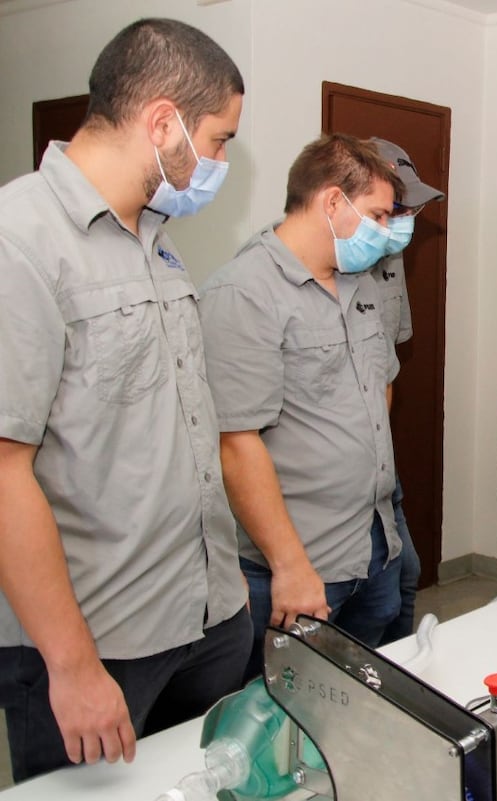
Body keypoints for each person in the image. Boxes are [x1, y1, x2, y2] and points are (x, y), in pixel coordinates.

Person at [0, 19, 251, 782]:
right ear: (162, 122)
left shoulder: (157, 238)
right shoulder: (20, 240)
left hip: (205, 616)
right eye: (219, 140)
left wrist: (227, 595)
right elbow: (4, 471)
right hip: (98, 643)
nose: (221, 163)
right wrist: (72, 664)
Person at [198, 134, 407, 684]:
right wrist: (289, 565)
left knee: (358, 700)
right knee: (283, 705)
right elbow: (234, 444)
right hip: (300, 563)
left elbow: (379, 386)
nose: (386, 230)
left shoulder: (361, 283)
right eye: (377, 215)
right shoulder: (244, 293)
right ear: (333, 201)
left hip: (374, 543)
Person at [367, 137, 446, 644]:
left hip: (378, 463)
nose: (406, 220)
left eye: (411, 209)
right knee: (369, 598)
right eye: (395, 208)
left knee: (404, 577)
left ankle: (396, 668)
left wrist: (381, 452)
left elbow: (386, 369)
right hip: (327, 476)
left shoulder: (390, 255)